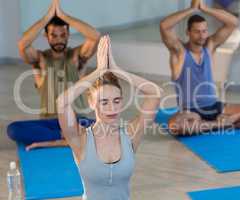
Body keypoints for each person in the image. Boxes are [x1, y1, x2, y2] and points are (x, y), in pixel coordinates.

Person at [56, 36, 161, 200]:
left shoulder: (131, 134)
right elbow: (62, 102)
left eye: (116, 101)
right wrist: (98, 72)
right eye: (104, 102)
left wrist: (118, 71)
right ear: (91, 103)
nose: (112, 108)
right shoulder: (80, 139)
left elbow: (155, 93)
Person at [7, 0, 100, 150]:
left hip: (75, 121)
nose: (59, 39)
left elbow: (95, 36)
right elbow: (22, 45)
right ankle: (65, 136)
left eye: (63, 34)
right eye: (54, 35)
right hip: (49, 121)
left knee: (100, 127)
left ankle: (64, 135)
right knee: (13, 129)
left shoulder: (76, 57)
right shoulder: (40, 60)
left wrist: (63, 15)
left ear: (68, 34)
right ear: (46, 36)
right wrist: (48, 16)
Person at [160, 0, 240, 135]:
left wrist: (205, 9)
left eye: (204, 31)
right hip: (191, 112)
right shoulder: (180, 52)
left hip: (214, 107)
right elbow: (164, 26)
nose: (202, 35)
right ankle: (223, 123)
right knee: (175, 126)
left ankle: (210, 125)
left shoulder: (210, 47)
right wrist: (192, 9)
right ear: (188, 32)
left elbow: (233, 22)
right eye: (197, 31)